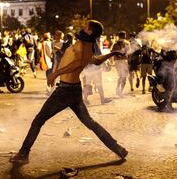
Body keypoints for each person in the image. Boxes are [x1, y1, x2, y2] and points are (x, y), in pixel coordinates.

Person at [10, 20, 128, 164]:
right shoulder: (86, 44)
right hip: (74, 90)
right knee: (90, 123)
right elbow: (95, 60)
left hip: (65, 90)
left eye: (86, 27)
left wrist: (56, 73)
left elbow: (78, 63)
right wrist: (112, 53)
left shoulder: (85, 45)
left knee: (38, 120)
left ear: (90, 31)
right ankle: (118, 148)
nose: (83, 27)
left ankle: (23, 154)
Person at [111, 31, 130, 97]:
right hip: (120, 62)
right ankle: (119, 91)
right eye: (123, 35)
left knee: (123, 77)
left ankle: (119, 90)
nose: (124, 37)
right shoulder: (117, 44)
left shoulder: (125, 43)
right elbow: (112, 52)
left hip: (122, 61)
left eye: (124, 35)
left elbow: (129, 53)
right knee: (122, 77)